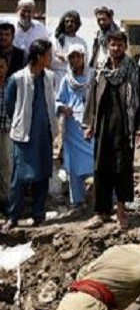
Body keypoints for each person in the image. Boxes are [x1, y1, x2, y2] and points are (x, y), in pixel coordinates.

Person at [83, 30, 140, 230]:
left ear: (125, 46)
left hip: (124, 128)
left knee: (122, 170)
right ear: (107, 46)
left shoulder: (134, 69)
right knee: (101, 169)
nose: (115, 48)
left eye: (119, 45)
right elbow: (92, 98)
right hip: (103, 126)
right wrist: (89, 124)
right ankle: (100, 212)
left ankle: (120, 212)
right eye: (112, 45)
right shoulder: (99, 69)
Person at [3, 39, 55, 232]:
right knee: (19, 178)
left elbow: (51, 102)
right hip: (23, 135)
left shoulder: (49, 77)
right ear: (39, 57)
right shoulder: (17, 78)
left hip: (44, 134)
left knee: (42, 175)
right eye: (48, 55)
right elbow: (10, 107)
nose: (50, 58)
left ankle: (38, 215)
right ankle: (13, 216)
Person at [55, 44, 93, 214]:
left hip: (90, 125)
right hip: (71, 127)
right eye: (72, 57)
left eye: (78, 56)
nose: (75, 60)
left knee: (97, 161)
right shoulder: (66, 79)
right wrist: (63, 107)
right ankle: (77, 200)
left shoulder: (93, 78)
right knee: (73, 166)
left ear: (84, 58)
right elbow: (58, 100)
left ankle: (106, 198)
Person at [51, 10, 89, 90]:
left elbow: (84, 62)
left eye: (72, 21)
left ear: (77, 24)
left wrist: (64, 57)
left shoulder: (81, 42)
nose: (69, 24)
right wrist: (71, 58)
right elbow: (52, 59)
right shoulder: (55, 39)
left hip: (75, 78)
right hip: (57, 77)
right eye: (67, 21)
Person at [0, 55, 11, 208]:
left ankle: (6, 202)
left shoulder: (11, 85)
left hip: (8, 131)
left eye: (1, 67)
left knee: (7, 167)